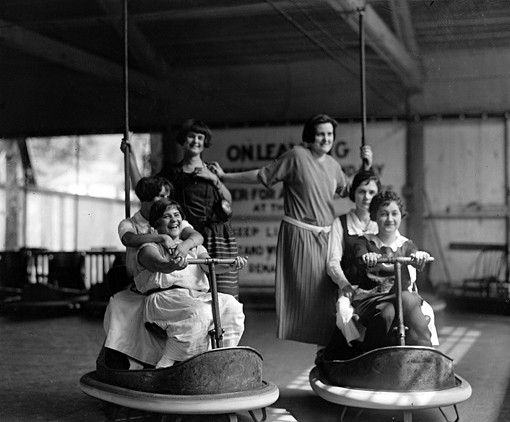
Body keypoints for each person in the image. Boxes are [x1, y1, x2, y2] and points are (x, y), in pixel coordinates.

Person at [209, 114, 373, 347]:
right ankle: (323, 350)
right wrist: (225, 176)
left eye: (329, 134)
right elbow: (263, 175)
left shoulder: (334, 165)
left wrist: (365, 167)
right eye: (320, 134)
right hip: (301, 235)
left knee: (332, 298)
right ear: (310, 136)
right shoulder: (296, 156)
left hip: (327, 236)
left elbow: (350, 190)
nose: (326, 139)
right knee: (311, 298)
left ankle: (329, 350)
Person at [125, 120, 240, 299]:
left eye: (200, 137)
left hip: (215, 238)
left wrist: (214, 179)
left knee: (224, 293)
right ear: (183, 140)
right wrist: (130, 156)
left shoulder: (212, 170)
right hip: (186, 235)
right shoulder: (172, 172)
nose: (196, 141)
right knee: (191, 287)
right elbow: (143, 187)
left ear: (205, 142)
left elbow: (228, 201)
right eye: (191, 136)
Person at [103, 176, 204, 369]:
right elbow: (130, 239)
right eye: (160, 195)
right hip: (141, 281)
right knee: (118, 307)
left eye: (167, 195)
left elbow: (195, 235)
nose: (164, 198)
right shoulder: (129, 223)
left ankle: (182, 357)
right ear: (146, 198)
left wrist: (184, 246)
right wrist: (161, 237)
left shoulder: (173, 217)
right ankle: (127, 359)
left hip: (167, 280)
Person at [135, 199, 246, 368]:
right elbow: (159, 264)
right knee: (200, 312)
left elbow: (210, 267)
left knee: (232, 306)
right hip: (165, 299)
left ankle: (223, 358)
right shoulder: (149, 247)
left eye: (176, 215)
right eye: (167, 216)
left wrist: (231, 264)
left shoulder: (194, 248)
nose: (174, 219)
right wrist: (172, 265)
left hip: (195, 297)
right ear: (156, 223)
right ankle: (167, 362)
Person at [349, 190, 433, 352]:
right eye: (383, 214)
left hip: (402, 297)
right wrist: (367, 257)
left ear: (401, 216)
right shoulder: (364, 242)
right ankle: (373, 358)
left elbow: (414, 256)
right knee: (386, 314)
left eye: (394, 214)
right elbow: (359, 257)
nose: (390, 219)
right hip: (373, 297)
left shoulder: (406, 245)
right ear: (374, 216)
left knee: (407, 298)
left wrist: (419, 257)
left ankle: (424, 354)